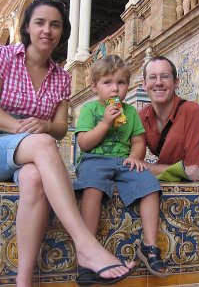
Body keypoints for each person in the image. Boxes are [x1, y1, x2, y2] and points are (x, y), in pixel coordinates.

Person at [0, 0, 134, 287]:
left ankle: (24, 282)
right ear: (27, 26)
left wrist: (43, 125)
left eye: (55, 25)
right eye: (40, 22)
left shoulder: (61, 78)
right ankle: (85, 244)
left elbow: (58, 128)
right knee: (42, 143)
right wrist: (23, 129)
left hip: (26, 158)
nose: (47, 30)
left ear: (61, 32)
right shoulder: (2, 56)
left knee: (34, 178)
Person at [73, 55, 169, 278]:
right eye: (107, 83)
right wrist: (105, 122)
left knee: (150, 185)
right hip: (94, 160)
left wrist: (136, 156)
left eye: (121, 83)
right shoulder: (90, 109)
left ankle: (149, 246)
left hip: (123, 162)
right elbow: (84, 144)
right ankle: (88, 250)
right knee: (92, 187)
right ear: (94, 86)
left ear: (128, 85)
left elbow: (138, 141)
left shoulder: (131, 112)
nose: (114, 89)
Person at [139, 56, 199, 181]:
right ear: (144, 84)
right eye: (152, 77)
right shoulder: (141, 116)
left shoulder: (193, 112)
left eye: (165, 76)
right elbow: (129, 164)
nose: (159, 82)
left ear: (176, 82)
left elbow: (196, 171)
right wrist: (179, 170)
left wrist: (152, 168)